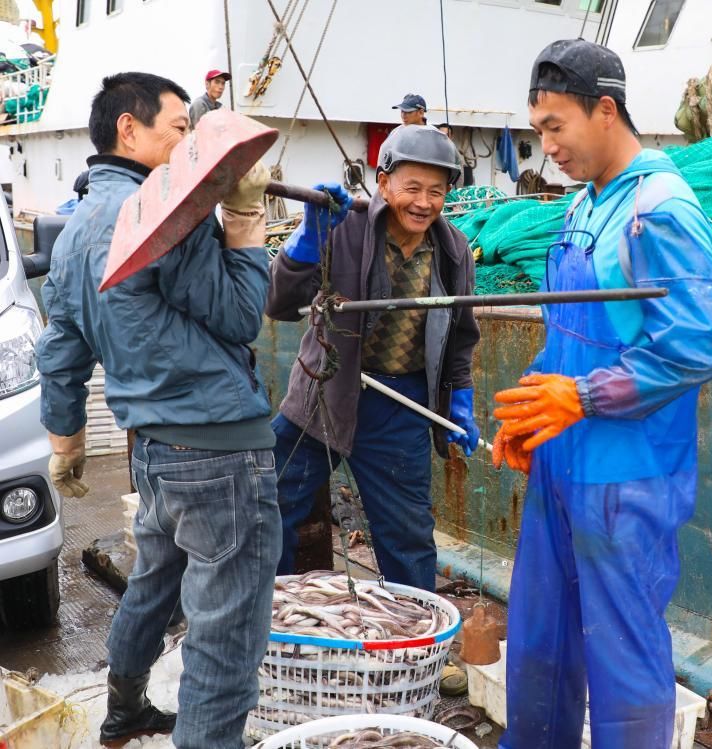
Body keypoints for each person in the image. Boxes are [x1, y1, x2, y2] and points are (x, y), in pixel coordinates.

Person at [492, 39, 712, 749]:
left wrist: (583, 398)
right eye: (538, 130)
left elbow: (696, 344)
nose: (547, 147)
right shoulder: (583, 207)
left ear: (604, 109)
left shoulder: (658, 209)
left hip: (624, 475)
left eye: (555, 126)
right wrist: (531, 411)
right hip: (562, 463)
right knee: (540, 638)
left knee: (622, 660)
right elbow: (568, 337)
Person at [35, 72, 281, 749]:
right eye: (179, 128)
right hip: (218, 446)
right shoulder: (163, 211)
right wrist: (244, 220)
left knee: (152, 583)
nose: (186, 145)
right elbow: (237, 318)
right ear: (130, 129)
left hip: (155, 451)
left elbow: (60, 352)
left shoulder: (77, 225)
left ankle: (124, 710)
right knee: (225, 636)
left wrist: (68, 441)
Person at [265, 125, 480, 592]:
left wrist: (460, 398)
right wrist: (306, 243)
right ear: (383, 183)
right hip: (322, 396)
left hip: (400, 409)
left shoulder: (454, 252)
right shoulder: (343, 227)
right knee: (268, 507)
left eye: (437, 191)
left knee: (408, 537)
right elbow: (279, 303)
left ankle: (416, 648)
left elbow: (459, 337)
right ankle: (263, 624)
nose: (424, 202)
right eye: (412, 188)